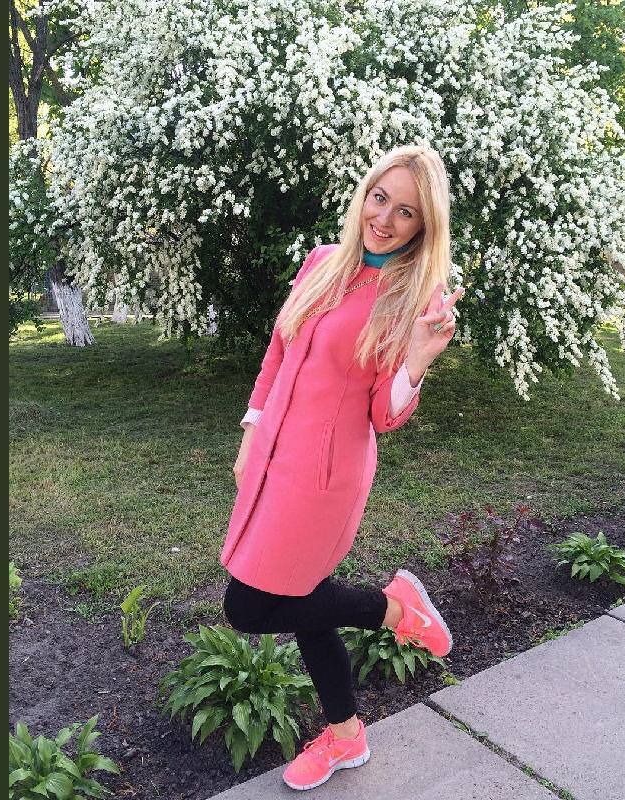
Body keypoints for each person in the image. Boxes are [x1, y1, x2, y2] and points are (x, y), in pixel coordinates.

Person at [220, 144, 464, 791]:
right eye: (380, 198)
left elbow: (383, 414)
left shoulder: (411, 296)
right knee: (305, 604)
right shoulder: (323, 262)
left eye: (405, 211)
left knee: (249, 605)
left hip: (324, 479)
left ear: (423, 226)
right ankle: (346, 735)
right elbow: (278, 350)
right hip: (272, 461)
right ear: (364, 195)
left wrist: (418, 357)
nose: (384, 218)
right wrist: (252, 429)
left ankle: (397, 611)